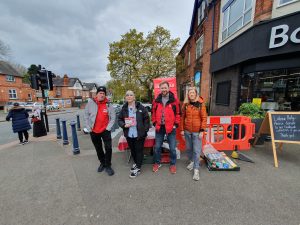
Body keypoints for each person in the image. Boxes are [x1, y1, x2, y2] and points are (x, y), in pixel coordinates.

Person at [84, 86, 116, 176]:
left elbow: (113, 117)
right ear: (97, 94)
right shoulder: (90, 103)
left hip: (105, 130)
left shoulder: (109, 104)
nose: (102, 95)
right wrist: (88, 128)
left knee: (108, 148)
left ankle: (108, 165)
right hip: (94, 131)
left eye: (103, 93)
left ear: (105, 95)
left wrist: (108, 128)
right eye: (100, 93)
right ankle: (102, 163)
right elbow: (86, 116)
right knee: (98, 148)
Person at [118, 90, 150, 178]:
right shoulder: (124, 108)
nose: (129, 96)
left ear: (134, 97)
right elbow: (119, 120)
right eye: (127, 95)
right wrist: (124, 125)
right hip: (129, 134)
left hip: (139, 134)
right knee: (133, 150)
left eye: (131, 95)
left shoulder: (141, 107)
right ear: (125, 97)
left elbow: (146, 119)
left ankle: (138, 168)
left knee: (139, 151)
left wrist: (145, 130)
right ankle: (136, 163)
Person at [152, 81, 180, 174]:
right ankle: (157, 162)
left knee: (172, 148)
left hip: (171, 127)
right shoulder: (156, 100)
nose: (164, 89)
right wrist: (155, 123)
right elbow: (153, 113)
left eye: (165, 87)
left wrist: (176, 124)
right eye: (162, 88)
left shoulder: (174, 100)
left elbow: (178, 113)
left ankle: (172, 164)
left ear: (168, 88)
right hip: (160, 127)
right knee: (157, 147)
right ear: (160, 89)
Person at [180, 87, 207, 181]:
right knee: (189, 148)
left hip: (197, 132)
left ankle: (196, 170)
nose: (191, 94)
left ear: (196, 94)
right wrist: (182, 130)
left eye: (193, 92)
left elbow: (204, 118)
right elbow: (182, 118)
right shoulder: (186, 105)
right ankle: (192, 161)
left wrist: (202, 130)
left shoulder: (200, 104)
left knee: (196, 151)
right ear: (188, 94)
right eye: (190, 93)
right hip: (187, 131)